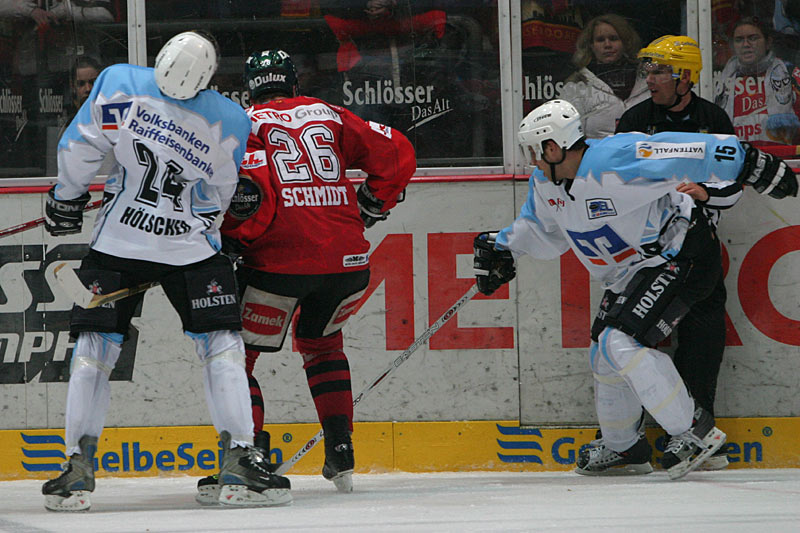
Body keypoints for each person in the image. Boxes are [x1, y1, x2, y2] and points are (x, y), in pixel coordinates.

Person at [473, 99, 796, 480]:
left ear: (553, 146)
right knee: (604, 355)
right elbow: (541, 229)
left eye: (534, 150)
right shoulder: (546, 183)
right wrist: (503, 246)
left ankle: (694, 430)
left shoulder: (616, 158)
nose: (532, 161)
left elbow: (685, 150)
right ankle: (624, 446)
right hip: (630, 273)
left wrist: (745, 160)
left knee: (619, 341)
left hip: (681, 255)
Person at [40, 31, 291, 511]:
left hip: (118, 242)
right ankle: (240, 454)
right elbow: (217, 197)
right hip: (190, 250)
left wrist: (66, 199)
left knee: (94, 347)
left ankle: (76, 465)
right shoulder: (232, 118)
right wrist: (192, 229)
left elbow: (80, 148)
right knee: (221, 344)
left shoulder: (119, 82)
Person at [194, 48, 415, 500]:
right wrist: (374, 202)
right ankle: (341, 450)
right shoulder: (329, 113)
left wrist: (235, 238)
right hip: (348, 265)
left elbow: (248, 196)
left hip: (279, 266)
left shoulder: (241, 122)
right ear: (293, 83)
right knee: (322, 344)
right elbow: (397, 150)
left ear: (250, 86)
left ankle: (248, 459)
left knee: (238, 356)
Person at [611, 35, 741, 472]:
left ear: (685, 76)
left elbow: (732, 184)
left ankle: (697, 435)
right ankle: (625, 437)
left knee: (703, 341)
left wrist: (704, 191)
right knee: (625, 341)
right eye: (647, 70)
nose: (650, 78)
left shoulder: (713, 118)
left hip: (698, 250)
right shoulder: (633, 120)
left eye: (659, 71)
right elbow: (613, 183)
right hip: (645, 255)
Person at [558, 13, 650, 138]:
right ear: (591, 45)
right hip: (596, 156)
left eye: (613, 38)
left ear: (625, 42)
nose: (607, 45)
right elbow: (568, 138)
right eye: (600, 40)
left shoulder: (648, 80)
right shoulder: (576, 87)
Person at [715, 16, 800, 145]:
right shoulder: (721, 79)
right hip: (738, 157)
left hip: (782, 158)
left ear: (768, 42)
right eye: (739, 40)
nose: (746, 44)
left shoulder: (789, 73)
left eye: (753, 38)